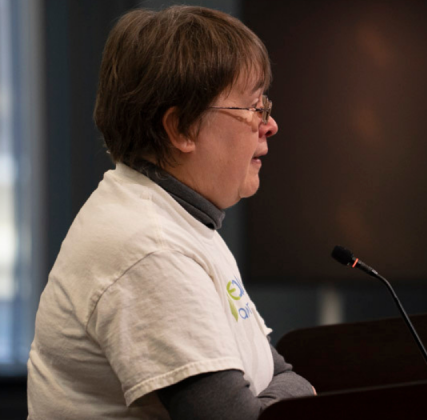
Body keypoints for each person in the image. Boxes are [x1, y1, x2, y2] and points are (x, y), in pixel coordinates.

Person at [27, 6, 314, 419]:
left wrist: (282, 392)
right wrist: (296, 393)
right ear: (180, 129)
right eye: (253, 107)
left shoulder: (181, 222)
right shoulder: (150, 248)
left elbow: (276, 371)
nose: (269, 125)